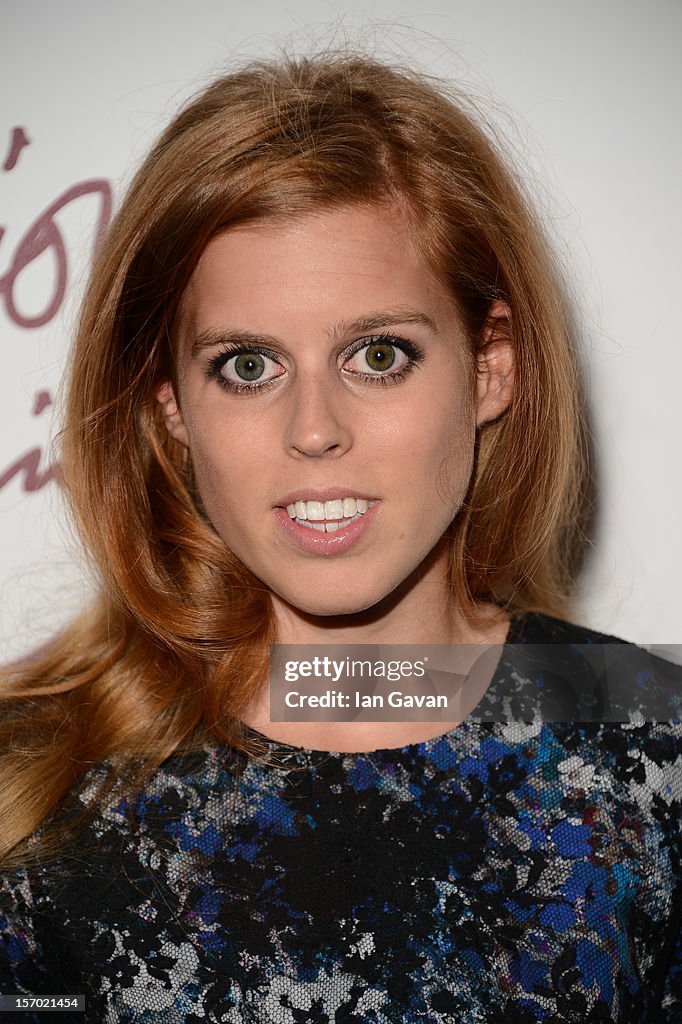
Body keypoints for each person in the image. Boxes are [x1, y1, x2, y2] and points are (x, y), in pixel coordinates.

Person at [0, 52, 679, 1023]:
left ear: (491, 369)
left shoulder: (652, 755)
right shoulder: (34, 783)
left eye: (378, 354)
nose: (313, 428)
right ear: (171, 407)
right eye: (246, 365)